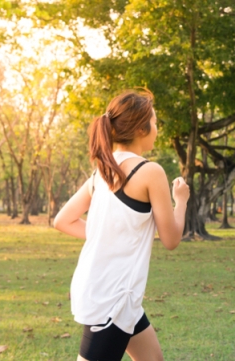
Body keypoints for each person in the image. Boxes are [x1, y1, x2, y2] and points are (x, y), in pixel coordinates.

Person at [53, 89, 189, 361]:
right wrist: (181, 200)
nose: (157, 129)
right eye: (155, 122)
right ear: (141, 128)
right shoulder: (150, 171)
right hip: (111, 299)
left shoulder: (102, 172)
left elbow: (62, 220)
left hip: (118, 295)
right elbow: (171, 239)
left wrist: (108, 236)